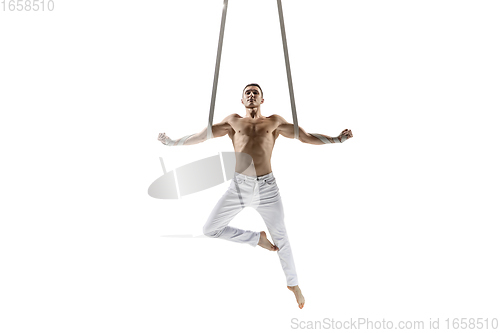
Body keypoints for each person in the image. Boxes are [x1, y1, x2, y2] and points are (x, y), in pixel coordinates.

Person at [158, 83, 353, 309]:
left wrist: (336, 139)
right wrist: (173, 142)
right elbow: (201, 136)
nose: (251, 95)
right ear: (242, 100)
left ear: (262, 100)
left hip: (267, 189)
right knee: (210, 229)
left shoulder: (274, 122)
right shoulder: (233, 122)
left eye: (255, 92)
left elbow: (306, 137)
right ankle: (256, 239)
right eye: (247, 93)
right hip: (239, 187)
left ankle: (294, 284)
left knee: (282, 238)